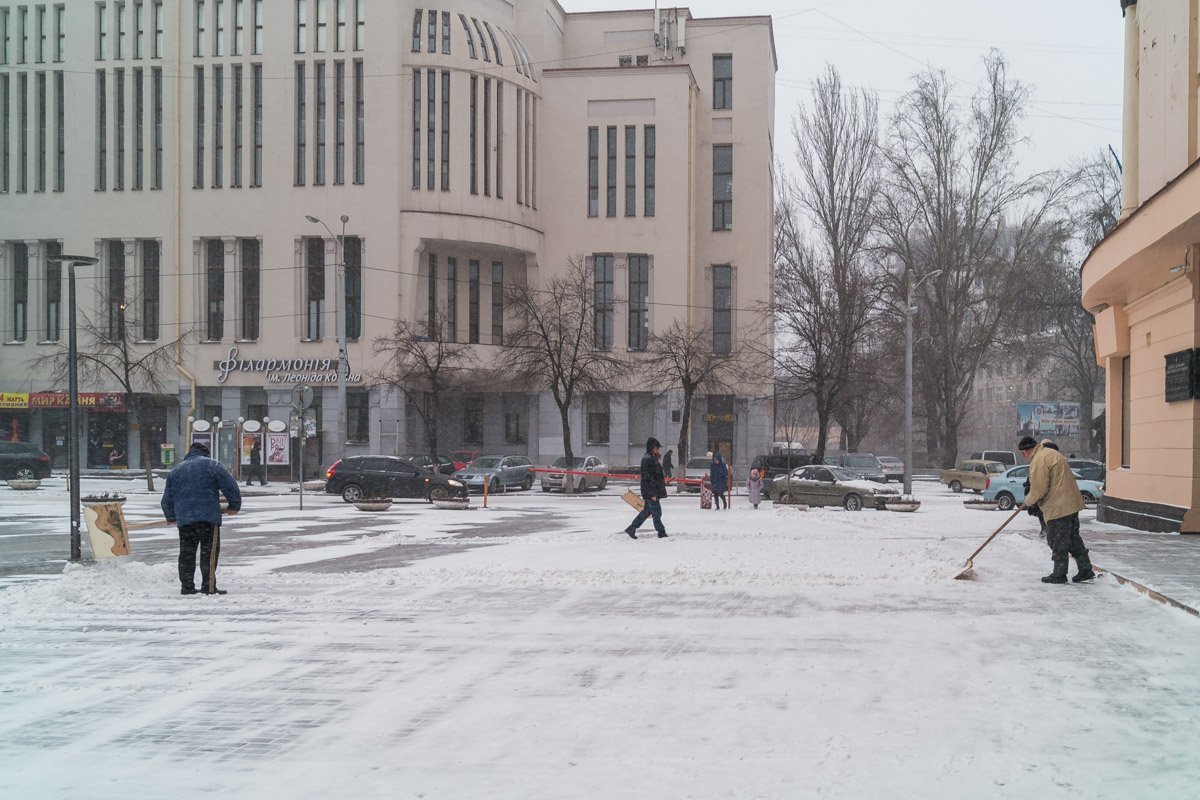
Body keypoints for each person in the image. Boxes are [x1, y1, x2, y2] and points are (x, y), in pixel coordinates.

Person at [161, 441, 242, 595]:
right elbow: (230, 487)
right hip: (208, 518)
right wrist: (234, 506)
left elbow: (166, 499)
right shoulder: (213, 465)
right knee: (209, 553)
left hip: (185, 520)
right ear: (206, 453)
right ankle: (208, 586)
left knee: (187, 553)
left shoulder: (176, 470)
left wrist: (170, 516)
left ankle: (187, 587)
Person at [1018, 435, 1094, 584]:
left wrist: (1028, 501)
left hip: (1059, 506)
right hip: (1071, 503)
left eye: (1023, 453)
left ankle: (1059, 574)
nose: (1023, 456)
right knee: (1072, 538)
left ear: (1028, 450)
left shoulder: (1040, 459)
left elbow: (1039, 488)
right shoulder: (1051, 454)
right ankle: (1085, 569)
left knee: (1056, 539)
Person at [624, 437, 668, 539]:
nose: (658, 449)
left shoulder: (652, 458)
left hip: (650, 491)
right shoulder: (648, 459)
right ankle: (661, 532)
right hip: (650, 491)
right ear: (651, 448)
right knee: (657, 512)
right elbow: (649, 478)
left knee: (647, 511)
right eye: (656, 447)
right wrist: (653, 493)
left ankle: (632, 528)